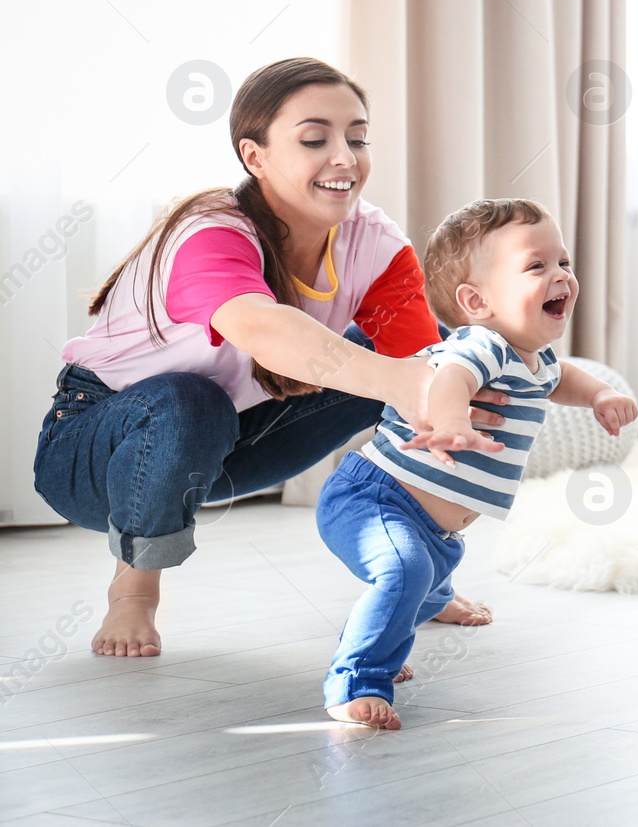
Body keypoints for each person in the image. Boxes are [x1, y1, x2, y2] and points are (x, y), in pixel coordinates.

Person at [34, 58, 508, 658]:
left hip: (229, 442)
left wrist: (445, 395)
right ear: (254, 157)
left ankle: (423, 576)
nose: (345, 157)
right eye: (315, 139)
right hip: (94, 451)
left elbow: (422, 372)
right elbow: (260, 326)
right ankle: (135, 592)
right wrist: (404, 380)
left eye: (357, 139)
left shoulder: (375, 242)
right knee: (188, 397)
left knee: (442, 366)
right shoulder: (209, 231)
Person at [317, 199, 638, 729]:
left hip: (437, 531)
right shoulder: (480, 345)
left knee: (424, 572)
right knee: (404, 571)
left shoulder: (537, 358)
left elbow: (565, 379)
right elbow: (450, 380)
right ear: (476, 301)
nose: (561, 276)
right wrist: (451, 422)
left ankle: (432, 599)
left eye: (564, 263)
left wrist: (601, 394)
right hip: (374, 496)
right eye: (537, 266)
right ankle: (356, 680)